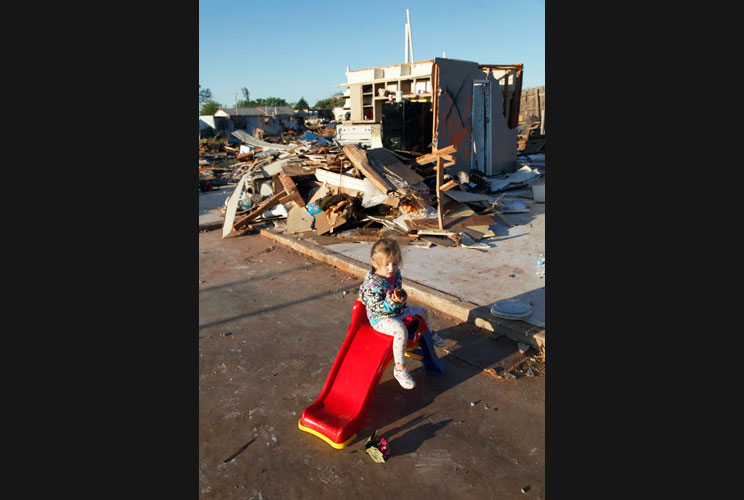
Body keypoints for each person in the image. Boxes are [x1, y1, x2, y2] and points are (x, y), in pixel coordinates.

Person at [358, 237, 446, 389]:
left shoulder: (395, 274)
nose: (391, 268)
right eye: (386, 265)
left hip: (396, 310)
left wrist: (399, 298)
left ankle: (430, 333)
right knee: (400, 330)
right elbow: (376, 308)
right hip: (379, 318)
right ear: (374, 263)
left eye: (395, 263)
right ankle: (400, 370)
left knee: (422, 311)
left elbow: (397, 291)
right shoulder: (372, 285)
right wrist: (392, 302)